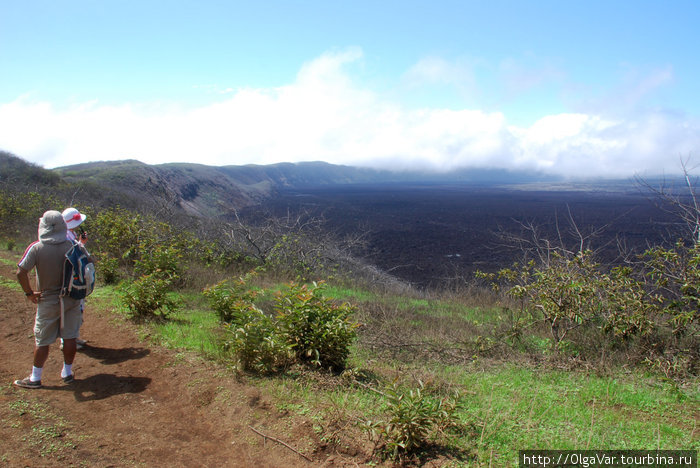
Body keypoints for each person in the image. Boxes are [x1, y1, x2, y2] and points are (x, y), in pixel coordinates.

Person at [14, 210, 81, 389]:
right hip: (71, 298)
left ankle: (35, 378)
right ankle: (67, 372)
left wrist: (29, 293)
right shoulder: (72, 245)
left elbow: (21, 272)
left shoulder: (37, 247)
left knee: (42, 340)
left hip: (47, 298)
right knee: (70, 336)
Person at [61, 207, 91, 350]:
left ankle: (73, 336)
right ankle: (67, 339)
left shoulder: (68, 234)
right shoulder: (66, 238)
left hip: (72, 277)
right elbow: (73, 254)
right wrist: (81, 244)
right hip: (71, 279)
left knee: (77, 307)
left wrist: (81, 242)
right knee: (72, 308)